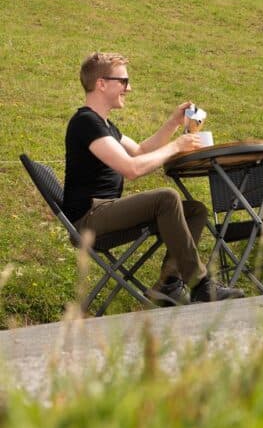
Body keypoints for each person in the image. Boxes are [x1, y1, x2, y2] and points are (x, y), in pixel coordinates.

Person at [62, 52, 244, 305]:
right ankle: (201, 284)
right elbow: (132, 168)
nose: (129, 88)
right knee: (167, 198)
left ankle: (168, 283)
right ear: (101, 83)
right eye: (123, 82)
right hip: (89, 220)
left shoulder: (103, 125)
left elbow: (139, 151)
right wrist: (177, 146)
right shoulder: (85, 123)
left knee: (194, 211)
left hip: (104, 212)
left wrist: (172, 123)